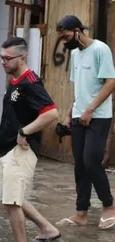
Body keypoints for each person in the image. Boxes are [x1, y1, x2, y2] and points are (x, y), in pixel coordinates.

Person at [0, 37, 61, 242]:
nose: (3, 62)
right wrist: (1, 129)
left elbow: (51, 113)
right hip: (9, 146)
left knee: (12, 202)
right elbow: (19, 113)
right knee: (10, 199)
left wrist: (25, 131)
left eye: (7, 58)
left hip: (22, 149)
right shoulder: (15, 82)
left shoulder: (30, 83)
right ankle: (47, 229)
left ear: (22, 58)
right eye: (0, 58)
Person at [56, 15, 115, 230]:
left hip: (98, 116)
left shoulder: (101, 50)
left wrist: (90, 109)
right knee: (80, 165)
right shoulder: (74, 54)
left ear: (78, 31)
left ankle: (109, 206)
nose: (64, 41)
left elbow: (111, 83)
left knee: (91, 160)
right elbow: (79, 89)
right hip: (78, 116)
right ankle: (81, 213)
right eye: (61, 38)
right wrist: (69, 114)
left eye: (66, 36)